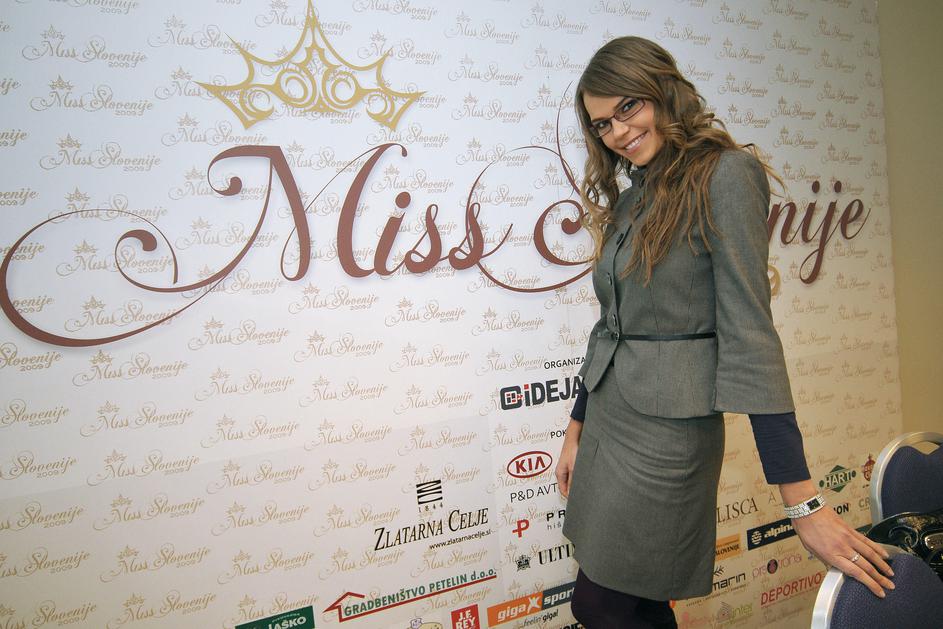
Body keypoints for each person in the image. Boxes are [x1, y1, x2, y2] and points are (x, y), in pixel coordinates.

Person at [553, 36, 896, 628]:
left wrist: (802, 502)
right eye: (602, 123)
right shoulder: (633, 199)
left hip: (670, 435)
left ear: (664, 90)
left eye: (628, 107)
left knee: (600, 602)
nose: (618, 132)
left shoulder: (726, 176)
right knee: (636, 599)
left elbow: (750, 336)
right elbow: (610, 326)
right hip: (610, 418)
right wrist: (576, 427)